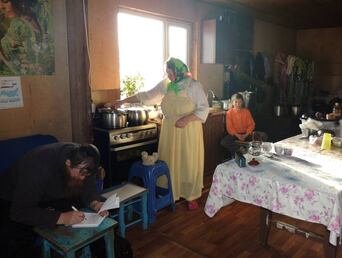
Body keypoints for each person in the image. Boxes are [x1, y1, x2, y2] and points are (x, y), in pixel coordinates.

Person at [106, 57, 209, 210]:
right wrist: (122, 101)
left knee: (188, 161)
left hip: (188, 129)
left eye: (172, 73)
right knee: (169, 161)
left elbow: (203, 108)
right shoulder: (166, 85)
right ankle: (169, 192)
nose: (170, 77)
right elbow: (147, 96)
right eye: (167, 74)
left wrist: (186, 119)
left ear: (180, 71)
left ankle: (190, 195)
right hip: (170, 129)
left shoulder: (193, 85)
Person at [0, 143, 109, 258]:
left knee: (87, 215)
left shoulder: (84, 158)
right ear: (68, 163)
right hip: (11, 199)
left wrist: (94, 203)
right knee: (17, 239)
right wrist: (62, 218)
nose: (83, 178)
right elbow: (19, 211)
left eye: (86, 174)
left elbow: (88, 182)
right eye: (81, 173)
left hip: (48, 194)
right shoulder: (38, 167)